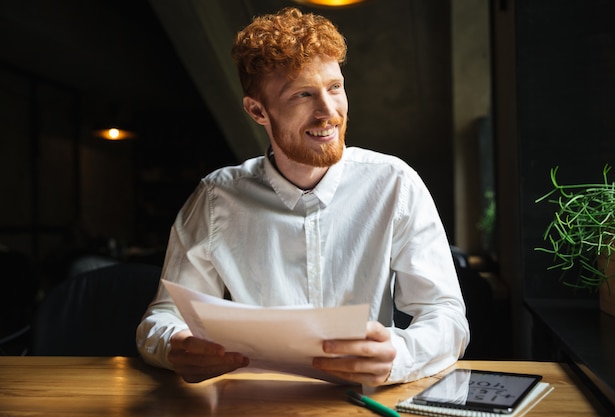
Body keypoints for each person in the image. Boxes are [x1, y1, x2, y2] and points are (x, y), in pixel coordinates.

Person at [137, 7, 469, 387]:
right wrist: (177, 346)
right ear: (257, 110)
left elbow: (446, 316)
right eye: (303, 95)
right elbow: (160, 319)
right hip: (253, 406)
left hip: (364, 405)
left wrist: (399, 357)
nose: (328, 113)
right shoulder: (214, 199)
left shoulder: (396, 184)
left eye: (335, 87)